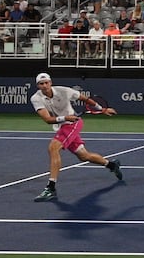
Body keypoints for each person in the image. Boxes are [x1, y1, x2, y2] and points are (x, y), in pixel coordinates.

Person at [29, 71, 125, 201]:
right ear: (38, 86)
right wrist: (65, 117)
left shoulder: (64, 91)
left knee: (53, 148)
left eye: (46, 83)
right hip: (63, 124)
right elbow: (47, 119)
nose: (45, 86)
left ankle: (51, 188)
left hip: (73, 124)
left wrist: (101, 109)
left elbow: (84, 99)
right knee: (83, 156)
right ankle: (111, 165)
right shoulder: (36, 98)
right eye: (41, 84)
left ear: (51, 83)